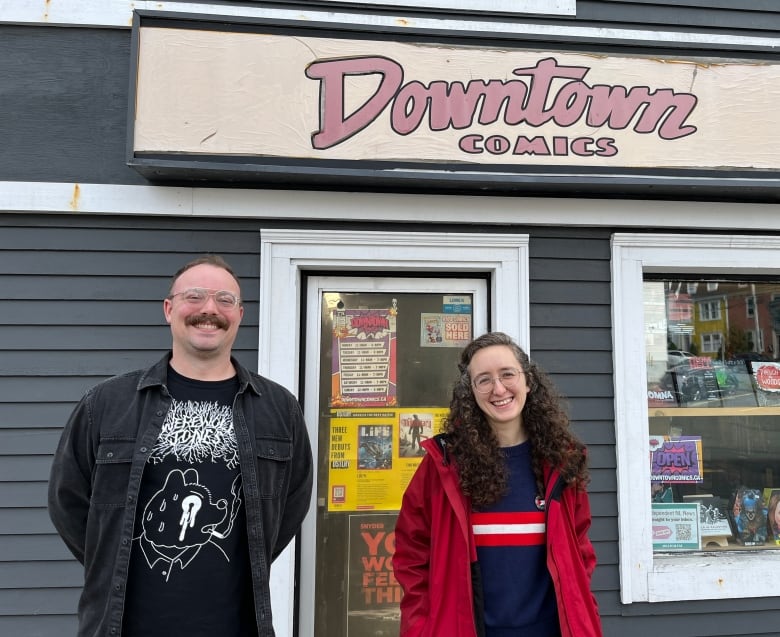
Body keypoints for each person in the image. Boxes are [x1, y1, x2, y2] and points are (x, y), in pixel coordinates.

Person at [48, 254, 313, 637]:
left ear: (239, 314)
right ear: (169, 309)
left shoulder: (278, 408)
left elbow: (292, 503)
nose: (210, 309)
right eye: (195, 296)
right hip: (124, 626)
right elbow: (67, 501)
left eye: (224, 299)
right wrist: (110, 559)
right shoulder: (106, 404)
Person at [394, 331, 602, 637]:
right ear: (471, 392)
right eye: (484, 379)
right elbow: (411, 556)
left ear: (528, 381)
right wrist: (421, 627)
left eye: (507, 374)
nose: (498, 388)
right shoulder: (444, 465)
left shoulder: (560, 462)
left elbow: (580, 550)